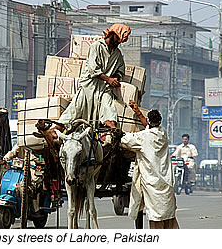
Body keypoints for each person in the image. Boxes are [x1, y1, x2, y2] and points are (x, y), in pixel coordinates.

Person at [46, 24, 132, 140]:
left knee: (108, 106)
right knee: (76, 107)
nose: (118, 43)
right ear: (112, 35)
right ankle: (56, 128)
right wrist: (108, 79)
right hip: (89, 85)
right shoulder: (96, 47)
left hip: (103, 88)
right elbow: (93, 69)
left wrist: (116, 77)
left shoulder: (117, 53)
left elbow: (120, 69)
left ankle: (112, 129)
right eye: (117, 39)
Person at [121, 101, 179, 229]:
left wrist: (116, 131)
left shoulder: (143, 137)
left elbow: (125, 140)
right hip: (166, 181)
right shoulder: (163, 133)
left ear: (149, 121)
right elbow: (149, 127)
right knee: (168, 214)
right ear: (160, 121)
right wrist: (138, 113)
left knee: (155, 215)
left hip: (151, 181)